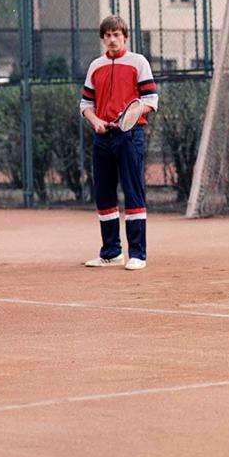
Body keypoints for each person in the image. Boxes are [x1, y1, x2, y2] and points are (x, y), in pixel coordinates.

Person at [79, 15, 158, 270]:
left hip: (129, 136)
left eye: (117, 35)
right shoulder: (96, 66)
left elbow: (150, 101)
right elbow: (85, 105)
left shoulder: (139, 63)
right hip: (102, 138)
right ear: (103, 39)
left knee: (133, 192)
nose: (112, 40)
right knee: (103, 194)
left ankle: (138, 254)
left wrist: (130, 116)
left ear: (125, 36)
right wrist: (95, 121)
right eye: (108, 35)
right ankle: (111, 252)